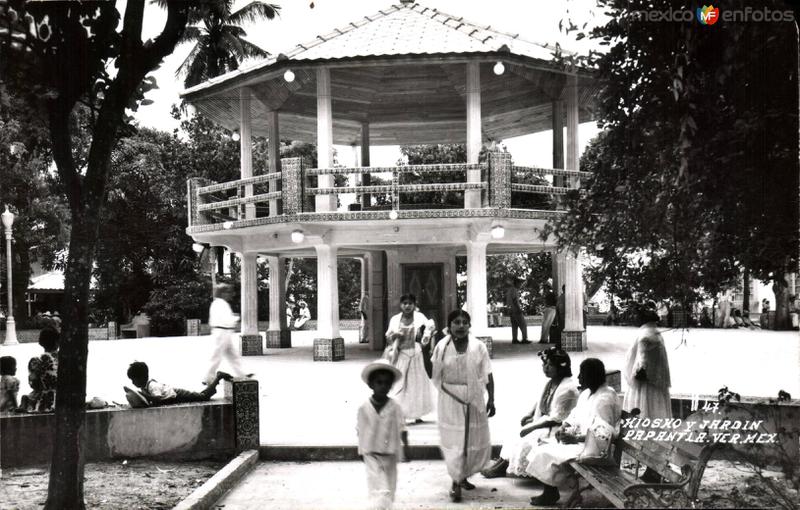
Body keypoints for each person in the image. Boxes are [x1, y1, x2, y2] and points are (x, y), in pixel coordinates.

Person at [525, 358, 622, 505]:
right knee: (542, 445)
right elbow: (574, 415)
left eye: (582, 374)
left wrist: (576, 439)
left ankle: (550, 494)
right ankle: (550, 492)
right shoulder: (587, 393)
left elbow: (604, 435)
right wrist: (564, 427)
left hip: (595, 449)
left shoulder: (605, 399)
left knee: (547, 452)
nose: (578, 378)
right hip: (582, 441)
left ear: (592, 376)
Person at [481, 347, 579, 478]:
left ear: (560, 367)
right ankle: (500, 464)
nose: (546, 368)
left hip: (556, 428)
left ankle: (501, 467)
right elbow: (541, 400)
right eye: (545, 364)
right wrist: (530, 414)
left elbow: (556, 418)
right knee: (514, 434)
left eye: (550, 365)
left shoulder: (568, 389)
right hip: (544, 422)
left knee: (525, 438)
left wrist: (532, 426)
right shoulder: (552, 382)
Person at [431, 310, 495, 502]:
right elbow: (434, 372)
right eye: (456, 322)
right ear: (449, 326)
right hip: (450, 398)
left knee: (470, 440)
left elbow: (488, 373)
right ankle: (455, 482)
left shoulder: (478, 347)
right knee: (455, 442)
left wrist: (491, 398)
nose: (460, 326)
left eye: (464, 322)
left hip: (473, 397)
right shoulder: (442, 346)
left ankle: (463, 475)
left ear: (469, 325)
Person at [623, 301, 671, 482]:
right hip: (657, 388)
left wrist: (634, 375)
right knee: (656, 424)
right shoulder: (656, 332)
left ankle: (653, 469)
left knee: (647, 423)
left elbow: (641, 365)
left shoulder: (645, 336)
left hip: (645, 389)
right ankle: (654, 468)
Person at [357, 359, 409, 510]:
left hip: (390, 453)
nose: (383, 386)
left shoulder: (395, 407)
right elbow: (360, 429)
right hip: (371, 452)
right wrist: (361, 450)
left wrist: (406, 448)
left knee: (389, 485)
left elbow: (402, 428)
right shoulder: (364, 407)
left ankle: (385, 506)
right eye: (379, 382)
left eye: (387, 383)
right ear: (371, 384)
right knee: (376, 485)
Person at [384, 294, 434, 423]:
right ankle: (401, 413)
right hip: (401, 354)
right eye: (405, 303)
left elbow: (431, 329)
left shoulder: (420, 317)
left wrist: (426, 338)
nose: (407, 306)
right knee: (400, 384)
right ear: (401, 305)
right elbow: (388, 337)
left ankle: (417, 414)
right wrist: (394, 335)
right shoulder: (395, 319)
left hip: (415, 354)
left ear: (414, 304)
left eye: (410, 303)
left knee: (416, 383)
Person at [126, 361, 232, 407]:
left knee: (203, 397)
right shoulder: (145, 387)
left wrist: (145, 396)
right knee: (200, 395)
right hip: (175, 395)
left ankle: (218, 377)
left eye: (134, 379)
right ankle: (214, 381)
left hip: (178, 394)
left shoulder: (152, 386)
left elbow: (157, 399)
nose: (133, 382)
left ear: (142, 377)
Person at [204, 284, 248, 385]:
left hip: (225, 332)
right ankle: (207, 377)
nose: (230, 295)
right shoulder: (219, 304)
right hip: (221, 332)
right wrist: (235, 318)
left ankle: (242, 374)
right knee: (216, 357)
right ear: (223, 293)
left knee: (233, 356)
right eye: (228, 292)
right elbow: (226, 321)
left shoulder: (220, 303)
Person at [20, 328, 60, 413]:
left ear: (41, 343)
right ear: (58, 342)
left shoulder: (36, 361)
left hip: (44, 399)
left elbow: (33, 384)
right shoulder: (65, 359)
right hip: (62, 397)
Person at [504, 277, 530, 344]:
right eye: (520, 283)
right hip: (516, 310)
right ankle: (524, 339)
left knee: (514, 325)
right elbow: (515, 301)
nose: (521, 285)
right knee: (523, 324)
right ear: (517, 283)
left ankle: (514, 339)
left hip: (511, 310)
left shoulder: (510, 290)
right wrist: (519, 309)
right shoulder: (515, 290)